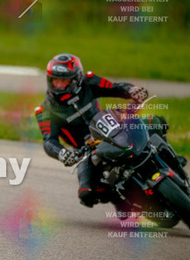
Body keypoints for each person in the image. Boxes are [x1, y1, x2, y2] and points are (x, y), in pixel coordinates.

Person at [35, 53, 172, 207]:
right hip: (85, 150)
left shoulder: (89, 81)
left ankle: (170, 159)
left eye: (64, 81)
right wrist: (62, 153)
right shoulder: (44, 110)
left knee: (156, 122)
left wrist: (132, 90)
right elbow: (49, 141)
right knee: (86, 193)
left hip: (112, 128)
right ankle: (122, 202)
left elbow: (116, 88)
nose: (58, 85)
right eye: (55, 80)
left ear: (76, 79)